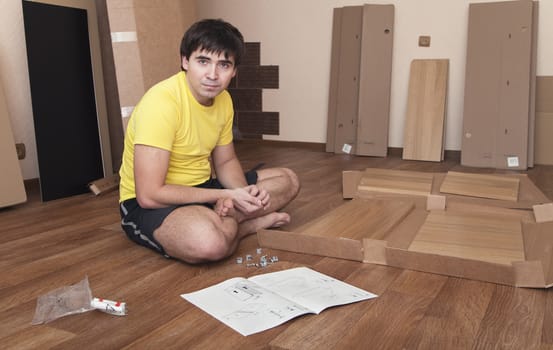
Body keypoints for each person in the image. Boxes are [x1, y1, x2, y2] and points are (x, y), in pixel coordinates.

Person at [118, 19, 300, 264]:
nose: (213, 75)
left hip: (203, 188)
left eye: (224, 65)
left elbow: (225, 161)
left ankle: (226, 218)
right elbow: (149, 195)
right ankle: (246, 225)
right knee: (209, 243)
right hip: (153, 204)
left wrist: (240, 193)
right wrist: (223, 196)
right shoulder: (161, 103)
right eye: (203, 61)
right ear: (185, 61)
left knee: (289, 179)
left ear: (234, 71)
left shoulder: (223, 100)